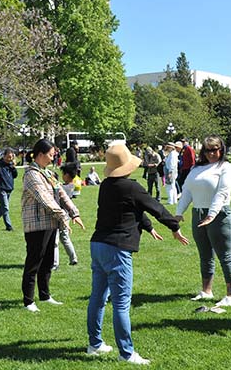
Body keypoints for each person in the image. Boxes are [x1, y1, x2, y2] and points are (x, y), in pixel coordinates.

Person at [87, 144, 189, 365]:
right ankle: (127, 353)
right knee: (121, 304)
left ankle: (94, 344)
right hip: (117, 248)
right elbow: (155, 206)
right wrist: (174, 226)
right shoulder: (132, 187)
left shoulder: (106, 186)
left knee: (98, 297)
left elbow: (130, 210)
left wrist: (149, 227)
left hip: (98, 245)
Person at [21, 139, 85, 312]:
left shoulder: (48, 173)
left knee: (48, 260)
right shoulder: (31, 175)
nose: (53, 158)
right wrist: (63, 217)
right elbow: (45, 199)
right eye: (51, 155)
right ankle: (28, 300)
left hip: (50, 223)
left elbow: (61, 193)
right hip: (36, 225)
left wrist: (74, 213)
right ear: (40, 155)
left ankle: (45, 295)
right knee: (34, 261)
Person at [175, 136, 231, 307]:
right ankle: (206, 291)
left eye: (215, 149)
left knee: (225, 255)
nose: (211, 153)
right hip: (198, 213)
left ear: (221, 149)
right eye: (208, 150)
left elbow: (222, 192)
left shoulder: (226, 167)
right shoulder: (196, 168)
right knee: (205, 255)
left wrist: (211, 214)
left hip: (220, 215)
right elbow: (187, 191)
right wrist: (179, 213)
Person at [52, 162, 79, 269]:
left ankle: (55, 263)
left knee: (55, 240)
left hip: (59, 216)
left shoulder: (63, 187)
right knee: (65, 238)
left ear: (67, 175)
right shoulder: (71, 186)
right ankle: (73, 258)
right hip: (66, 216)